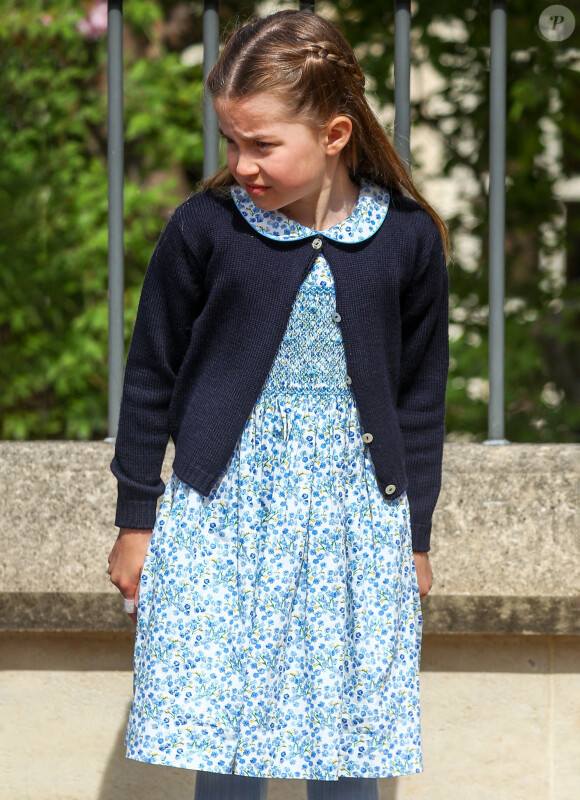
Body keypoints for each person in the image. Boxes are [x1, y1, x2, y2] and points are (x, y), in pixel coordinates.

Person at [107, 9, 450, 800]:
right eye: (232, 141)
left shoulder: (404, 238)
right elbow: (151, 377)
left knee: (347, 729)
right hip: (225, 507)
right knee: (228, 731)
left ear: (333, 134)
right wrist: (136, 519)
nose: (242, 162)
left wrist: (416, 535)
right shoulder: (204, 228)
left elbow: (420, 402)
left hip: (355, 518)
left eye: (262, 144)